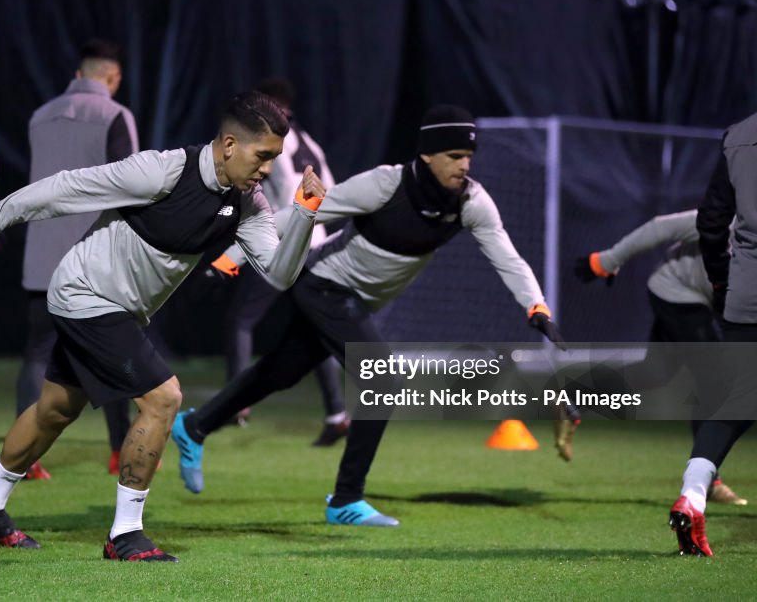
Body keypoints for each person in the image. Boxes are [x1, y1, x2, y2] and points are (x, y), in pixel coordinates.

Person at [0, 91, 323, 561]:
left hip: (118, 310)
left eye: (274, 158)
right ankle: (125, 534)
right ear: (229, 145)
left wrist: (306, 213)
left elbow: (278, 272)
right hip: (84, 294)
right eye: (263, 155)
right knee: (163, 398)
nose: (268, 168)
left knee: (56, 409)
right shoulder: (163, 170)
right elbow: (66, 188)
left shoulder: (248, 203)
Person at [171, 104, 565, 526]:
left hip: (353, 300)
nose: (464, 165)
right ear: (428, 155)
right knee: (384, 378)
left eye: (468, 156)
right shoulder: (385, 184)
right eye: (454, 156)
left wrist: (535, 305)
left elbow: (507, 257)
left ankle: (194, 425)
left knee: (279, 372)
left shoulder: (471, 202)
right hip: (322, 284)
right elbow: (302, 213)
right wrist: (231, 259)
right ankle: (346, 499)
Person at [16, 39, 139, 480]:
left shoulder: (39, 116)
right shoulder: (115, 115)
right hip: (93, 259)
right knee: (117, 352)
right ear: (113, 77)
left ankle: (25, 455)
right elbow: (131, 186)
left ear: (78, 73)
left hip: (41, 255)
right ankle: (118, 451)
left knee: (35, 354)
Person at [206, 77, 349, 445]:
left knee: (241, 319)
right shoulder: (310, 143)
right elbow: (328, 192)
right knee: (314, 332)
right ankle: (336, 415)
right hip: (316, 246)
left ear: (276, 109)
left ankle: (236, 403)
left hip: (283, 243)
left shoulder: (277, 143)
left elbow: (288, 194)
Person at [574, 210, 746, 504]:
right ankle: (706, 481)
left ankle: (576, 396)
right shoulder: (733, 221)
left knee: (655, 373)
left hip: (700, 301)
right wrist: (606, 261)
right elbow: (660, 228)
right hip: (676, 290)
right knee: (714, 383)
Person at [669, 111, 757, 557]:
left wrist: (725, 281)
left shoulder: (738, 137)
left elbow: (710, 222)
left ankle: (694, 493)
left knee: (738, 402)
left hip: (748, 293)